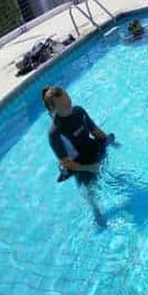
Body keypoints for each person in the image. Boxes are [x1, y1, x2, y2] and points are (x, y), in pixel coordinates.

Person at [42, 86, 115, 226]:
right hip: (78, 163)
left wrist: (109, 141)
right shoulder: (54, 133)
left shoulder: (78, 111)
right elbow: (66, 163)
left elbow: (94, 130)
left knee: (105, 169)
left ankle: (112, 179)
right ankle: (96, 211)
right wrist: (89, 168)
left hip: (91, 148)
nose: (69, 104)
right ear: (53, 109)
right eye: (63, 105)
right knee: (90, 191)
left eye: (68, 99)